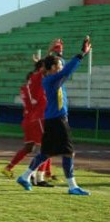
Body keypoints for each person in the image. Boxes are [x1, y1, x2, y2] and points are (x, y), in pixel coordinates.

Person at [16, 36, 92, 196]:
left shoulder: (50, 77)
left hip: (52, 119)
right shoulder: (52, 79)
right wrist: (81, 54)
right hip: (57, 120)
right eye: (58, 65)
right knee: (68, 152)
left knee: (45, 153)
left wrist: (58, 50)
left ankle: (24, 177)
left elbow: (62, 65)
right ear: (51, 69)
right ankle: (72, 187)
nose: (61, 66)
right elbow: (67, 69)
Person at [1, 59, 54, 187]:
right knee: (45, 147)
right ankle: (39, 177)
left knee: (30, 147)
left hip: (28, 119)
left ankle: (11, 168)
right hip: (37, 117)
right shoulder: (37, 81)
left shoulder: (25, 87)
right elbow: (43, 71)